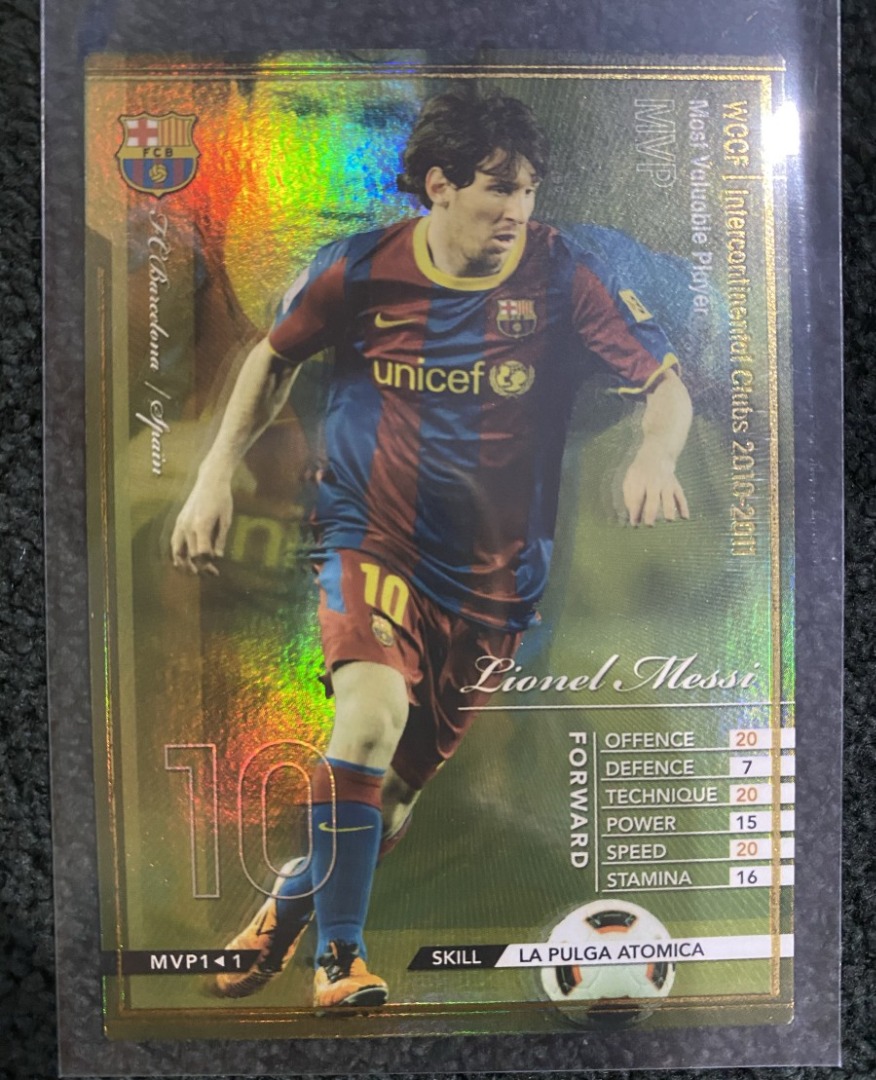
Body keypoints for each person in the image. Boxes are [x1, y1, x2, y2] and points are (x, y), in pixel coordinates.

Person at [171, 87, 692, 1009]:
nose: (515, 209)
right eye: (497, 188)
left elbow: (663, 383)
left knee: (391, 803)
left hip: (496, 576)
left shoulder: (565, 275)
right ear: (439, 185)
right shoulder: (360, 268)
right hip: (371, 535)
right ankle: (339, 962)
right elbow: (273, 357)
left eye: (527, 190)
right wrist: (214, 475)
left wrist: (657, 452)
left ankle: (284, 911)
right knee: (368, 719)